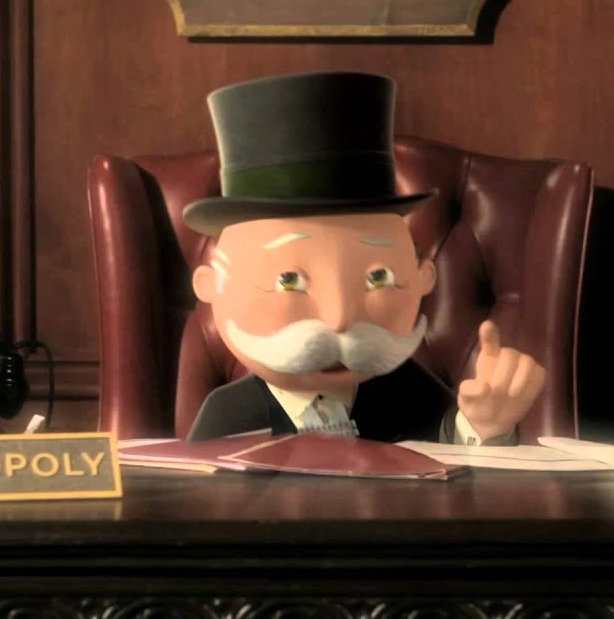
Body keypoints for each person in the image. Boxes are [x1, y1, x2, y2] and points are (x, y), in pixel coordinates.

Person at [183, 72, 545, 445]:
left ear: (424, 277)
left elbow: (454, 449)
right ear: (211, 285)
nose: (339, 319)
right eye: (289, 280)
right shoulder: (230, 416)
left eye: (378, 278)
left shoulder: (408, 392)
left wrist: (485, 427)